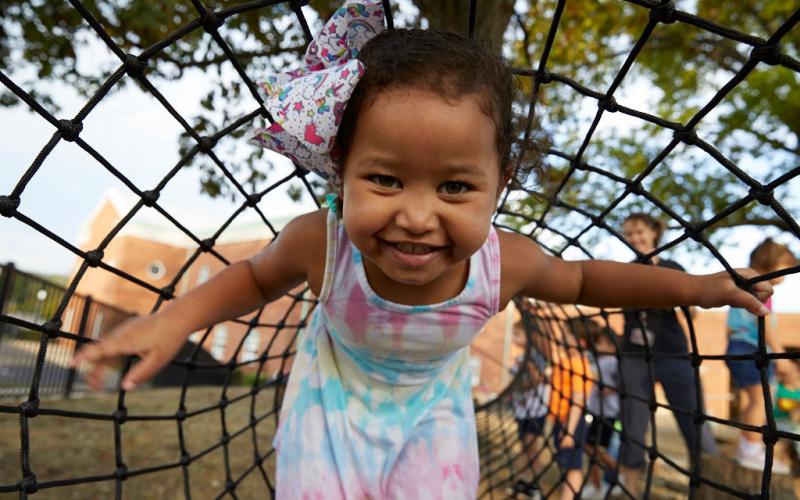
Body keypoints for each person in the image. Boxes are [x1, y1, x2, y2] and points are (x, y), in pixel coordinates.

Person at [70, 2, 775, 497]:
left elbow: (589, 280)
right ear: (339, 170)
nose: (415, 215)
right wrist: (168, 321)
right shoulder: (324, 244)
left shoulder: (508, 262)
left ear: (500, 186)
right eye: (382, 178)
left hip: (434, 411)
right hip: (333, 406)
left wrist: (703, 288)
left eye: (456, 187)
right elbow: (253, 278)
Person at [618, 213, 720, 496]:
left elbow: (695, 310)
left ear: (653, 232)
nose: (634, 238)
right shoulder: (625, 270)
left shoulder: (672, 266)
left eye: (638, 231)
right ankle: (629, 489)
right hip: (635, 355)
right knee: (633, 426)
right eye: (628, 234)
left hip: (674, 355)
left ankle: (706, 487)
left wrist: (667, 291)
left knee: (695, 422)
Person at [726, 238, 798, 472]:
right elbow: (764, 323)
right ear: (770, 263)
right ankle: (752, 452)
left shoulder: (747, 284)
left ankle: (748, 448)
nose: (786, 275)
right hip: (750, 348)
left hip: (739, 347)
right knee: (760, 401)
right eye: (784, 267)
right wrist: (781, 355)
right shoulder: (760, 287)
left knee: (753, 401)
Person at [549, 319, 593, 500]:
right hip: (563, 419)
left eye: (567, 335)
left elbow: (578, 400)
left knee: (573, 466)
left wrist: (569, 431)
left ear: (580, 342)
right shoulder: (568, 361)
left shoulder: (578, 365)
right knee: (566, 464)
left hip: (572, 421)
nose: (563, 338)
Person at [509, 321, 550, 498]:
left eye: (517, 334)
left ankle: (536, 484)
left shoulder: (536, 356)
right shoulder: (519, 358)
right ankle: (524, 481)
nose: (513, 338)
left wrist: (523, 380)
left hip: (536, 411)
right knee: (525, 447)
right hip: (521, 411)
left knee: (532, 446)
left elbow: (536, 379)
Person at [582, 324, 620, 500]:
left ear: (612, 347)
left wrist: (608, 389)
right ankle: (596, 486)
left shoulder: (613, 362)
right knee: (590, 449)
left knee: (595, 449)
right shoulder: (597, 360)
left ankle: (619, 473)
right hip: (595, 411)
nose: (598, 346)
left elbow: (621, 384)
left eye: (602, 343)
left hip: (608, 414)